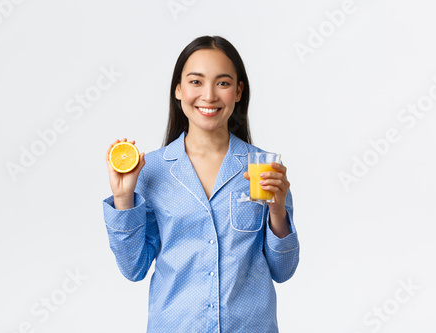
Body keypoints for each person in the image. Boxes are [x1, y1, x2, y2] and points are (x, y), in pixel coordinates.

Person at [103, 35, 299, 332]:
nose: (209, 95)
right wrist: (123, 199)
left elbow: (283, 271)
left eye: (222, 83)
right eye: (196, 82)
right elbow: (134, 268)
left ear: (238, 91)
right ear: (178, 90)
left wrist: (278, 212)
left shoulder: (263, 168)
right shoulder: (151, 170)